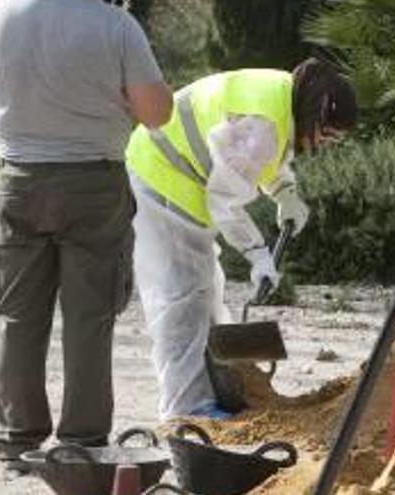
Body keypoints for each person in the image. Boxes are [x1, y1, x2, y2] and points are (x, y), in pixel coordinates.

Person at [0, 0, 172, 475]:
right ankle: (82, 439)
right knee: (89, 317)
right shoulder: (115, 25)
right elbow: (156, 112)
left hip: (18, 178)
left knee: (18, 314)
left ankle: (17, 438)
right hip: (92, 181)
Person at [125, 57, 358, 420]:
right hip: (162, 179)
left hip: (176, 178)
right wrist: (258, 256)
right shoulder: (264, 123)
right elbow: (225, 203)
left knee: (205, 293)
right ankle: (186, 411)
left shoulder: (282, 95)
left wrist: (284, 193)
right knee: (182, 301)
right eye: (327, 136)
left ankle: (210, 391)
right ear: (314, 114)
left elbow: (258, 157)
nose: (326, 145)